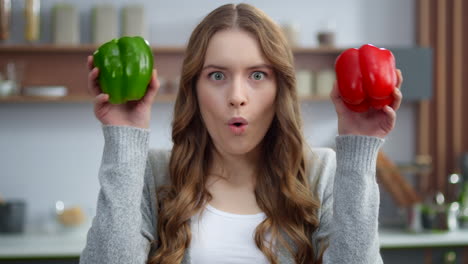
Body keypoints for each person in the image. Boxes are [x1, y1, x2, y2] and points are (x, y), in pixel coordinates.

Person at [80, 3, 403, 264]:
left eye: (258, 75)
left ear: (281, 90)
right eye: (217, 75)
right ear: (194, 89)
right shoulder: (152, 175)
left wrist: (360, 145)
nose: (237, 96)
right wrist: (124, 135)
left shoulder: (321, 173)